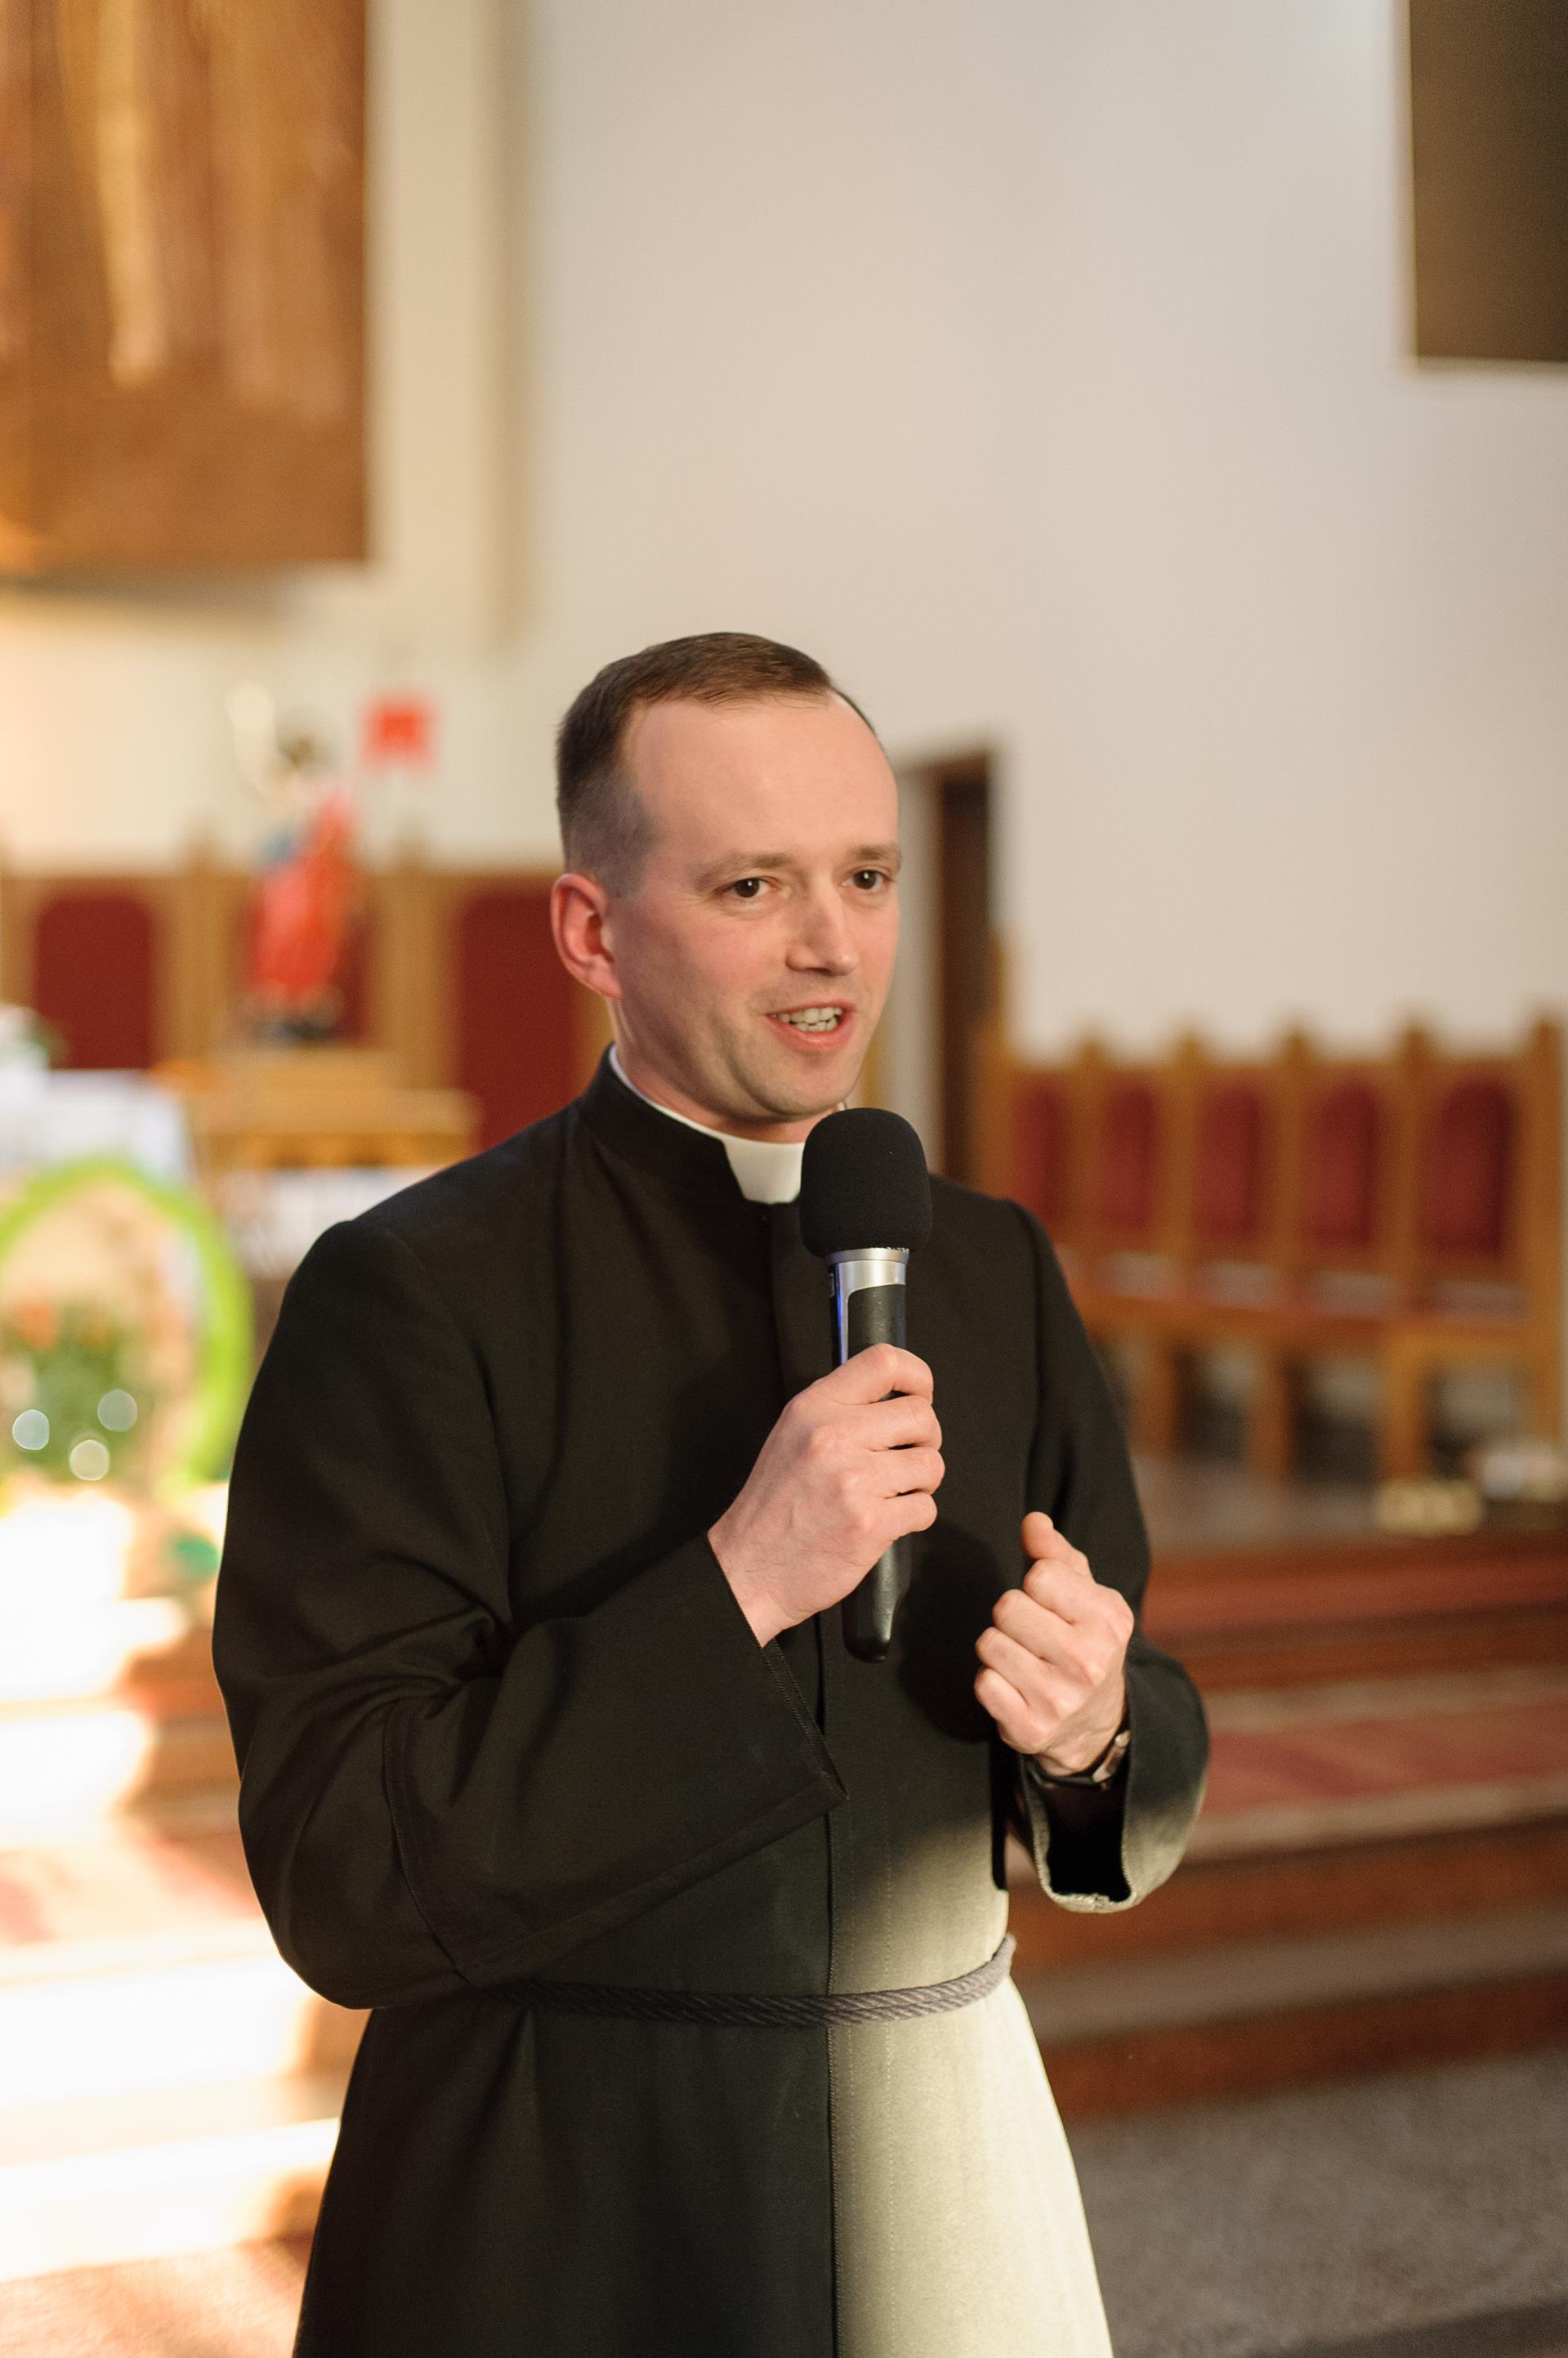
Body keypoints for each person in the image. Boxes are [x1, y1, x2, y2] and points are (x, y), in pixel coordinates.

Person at [212, 631, 1208, 2358]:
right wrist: (738, 1581)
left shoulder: (988, 1268)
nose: (833, 942)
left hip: (947, 2179)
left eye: (867, 876)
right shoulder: (417, 1294)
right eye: (754, 885)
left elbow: (1137, 1712)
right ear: (592, 932)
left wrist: (1094, 1733)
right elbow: (343, 1866)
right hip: (562, 2201)